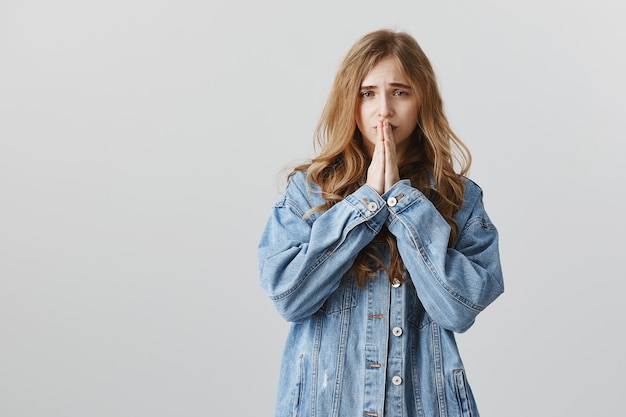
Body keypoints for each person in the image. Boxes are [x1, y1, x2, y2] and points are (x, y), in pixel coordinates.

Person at [257, 28, 504, 417]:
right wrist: (366, 204)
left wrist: (404, 204)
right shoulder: (309, 192)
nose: (383, 109)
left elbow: (460, 309)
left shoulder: (459, 198)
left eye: (400, 92)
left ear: (422, 100)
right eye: (367, 93)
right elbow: (288, 297)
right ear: (349, 101)